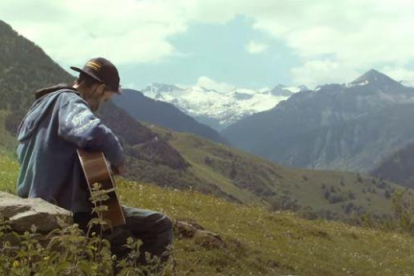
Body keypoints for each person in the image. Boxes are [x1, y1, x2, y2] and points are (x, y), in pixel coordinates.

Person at [16, 57, 173, 266]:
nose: (103, 103)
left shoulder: (42, 104)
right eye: (106, 98)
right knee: (159, 224)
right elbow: (93, 132)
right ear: (99, 88)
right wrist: (118, 160)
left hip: (34, 198)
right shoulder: (70, 101)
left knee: (121, 234)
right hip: (71, 209)